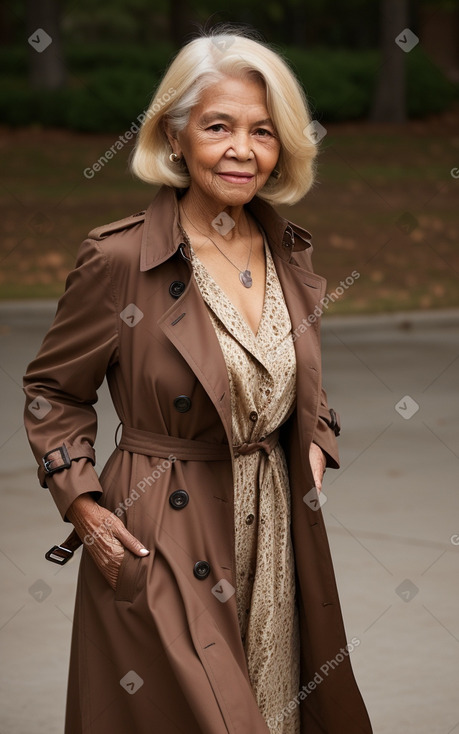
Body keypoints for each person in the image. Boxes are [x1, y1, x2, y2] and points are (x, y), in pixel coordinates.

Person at [23, 28, 372, 734]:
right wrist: (84, 507)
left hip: (277, 525)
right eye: (219, 126)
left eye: (263, 131)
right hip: (162, 528)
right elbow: (53, 391)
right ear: (174, 137)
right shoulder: (121, 259)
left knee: (276, 713)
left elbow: (294, 375)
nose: (242, 149)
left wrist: (316, 440)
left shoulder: (288, 251)